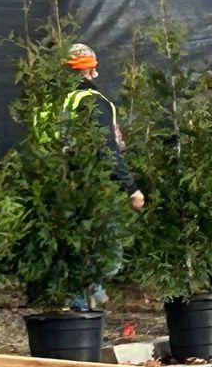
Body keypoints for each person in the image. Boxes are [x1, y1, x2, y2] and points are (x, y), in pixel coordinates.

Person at [56, 43, 145, 310]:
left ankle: (88, 292)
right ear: (91, 69)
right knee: (107, 250)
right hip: (96, 183)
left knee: (78, 242)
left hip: (63, 178)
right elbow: (107, 148)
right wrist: (131, 187)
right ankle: (85, 295)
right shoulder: (92, 101)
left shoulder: (61, 99)